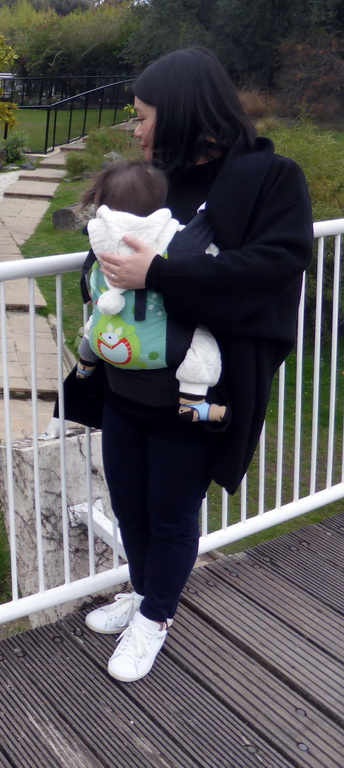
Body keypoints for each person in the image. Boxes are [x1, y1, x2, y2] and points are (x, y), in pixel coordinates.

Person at [65, 46, 312, 683]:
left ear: (180, 114)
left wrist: (162, 273)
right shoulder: (159, 182)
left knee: (173, 513)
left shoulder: (270, 178)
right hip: (125, 388)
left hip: (194, 396)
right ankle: (143, 594)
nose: (137, 129)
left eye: (144, 117)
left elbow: (273, 268)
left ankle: (157, 618)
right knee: (129, 503)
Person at [76, 160, 228, 424]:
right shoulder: (175, 238)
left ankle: (85, 364)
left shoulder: (99, 240)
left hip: (108, 344)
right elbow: (210, 266)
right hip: (162, 352)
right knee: (203, 343)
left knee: (94, 322)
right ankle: (192, 401)